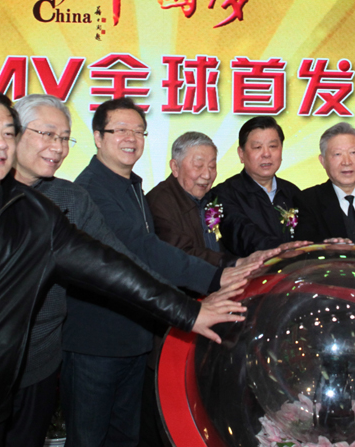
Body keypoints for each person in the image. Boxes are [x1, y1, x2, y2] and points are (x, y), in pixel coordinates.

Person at [0, 87, 244, 447]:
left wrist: (190, 311)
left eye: (8, 133)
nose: (1, 143)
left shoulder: (38, 215)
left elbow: (113, 267)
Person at [64, 98, 257, 447]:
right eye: (120, 130)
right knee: (90, 439)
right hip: (97, 343)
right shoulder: (91, 190)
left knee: (126, 438)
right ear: (98, 137)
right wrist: (215, 277)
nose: (131, 138)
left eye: (138, 131)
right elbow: (143, 249)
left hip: (135, 337)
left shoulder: (131, 186)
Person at [295, 122, 355, 247]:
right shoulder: (308, 201)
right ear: (323, 161)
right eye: (337, 154)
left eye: (353, 152)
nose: (347, 162)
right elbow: (305, 247)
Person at [216, 116, 303, 256]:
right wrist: (281, 250)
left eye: (273, 146)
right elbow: (242, 233)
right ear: (241, 154)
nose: (266, 154)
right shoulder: (224, 194)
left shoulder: (293, 193)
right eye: (257, 147)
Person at [146, 131, 230, 266]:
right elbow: (179, 255)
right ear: (175, 167)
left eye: (212, 167)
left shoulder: (213, 198)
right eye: (198, 166)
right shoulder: (160, 202)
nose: (207, 175)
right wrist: (228, 262)